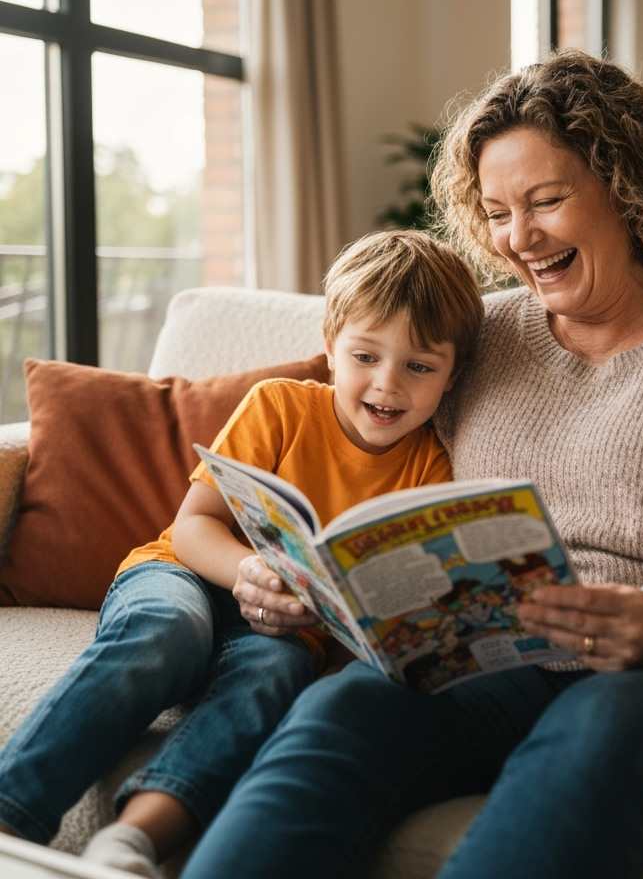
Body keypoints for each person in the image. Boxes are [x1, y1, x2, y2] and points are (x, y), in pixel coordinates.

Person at [181, 50, 643, 879]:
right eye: (496, 212)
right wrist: (278, 569)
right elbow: (359, 417)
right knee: (344, 707)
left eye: (546, 201)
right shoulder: (484, 337)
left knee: (597, 731)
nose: (518, 238)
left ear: (625, 184)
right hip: (503, 654)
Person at [0, 230, 483, 877]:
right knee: (165, 629)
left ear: (453, 378)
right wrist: (249, 568)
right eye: (366, 355)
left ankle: (131, 843)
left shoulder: (433, 469)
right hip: (187, 572)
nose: (387, 385)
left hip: (291, 625)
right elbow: (195, 524)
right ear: (332, 349)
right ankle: (10, 809)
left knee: (273, 675)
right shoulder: (279, 405)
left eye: (420, 367)